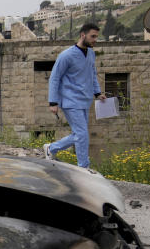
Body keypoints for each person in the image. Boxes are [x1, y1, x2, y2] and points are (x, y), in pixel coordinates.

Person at [44, 23, 106, 168]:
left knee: (79, 134)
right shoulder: (66, 55)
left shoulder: (91, 53)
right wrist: (53, 102)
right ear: (82, 35)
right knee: (82, 134)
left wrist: (97, 93)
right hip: (70, 100)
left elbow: (92, 74)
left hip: (85, 100)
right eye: (93, 36)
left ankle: (51, 148)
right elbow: (55, 77)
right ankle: (84, 167)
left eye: (97, 36)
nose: (95, 39)